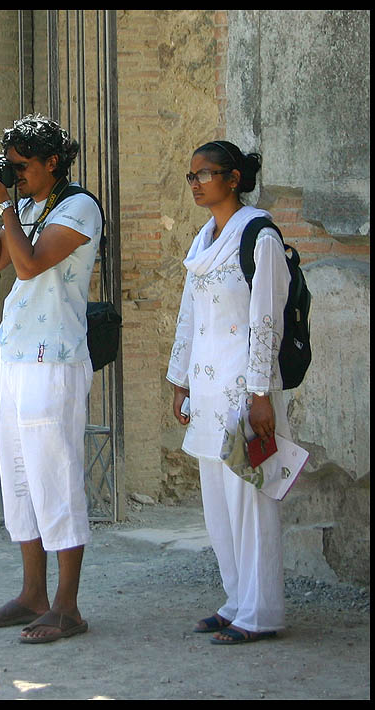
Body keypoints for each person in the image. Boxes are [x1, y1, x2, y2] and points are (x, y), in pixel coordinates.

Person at [0, 114, 102, 644]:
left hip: (56, 361)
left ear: (53, 162)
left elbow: (27, 266)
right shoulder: (22, 205)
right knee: (21, 479)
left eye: (22, 167)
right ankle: (33, 595)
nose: (15, 175)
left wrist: (5, 206)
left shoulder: (78, 207)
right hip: (16, 358)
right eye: (10, 166)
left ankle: (67, 606)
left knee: (57, 477)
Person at [167, 140, 291, 645]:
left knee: (251, 501)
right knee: (218, 501)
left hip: (246, 389)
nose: (196, 183)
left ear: (233, 178)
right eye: (191, 175)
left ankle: (261, 612)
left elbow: (267, 317)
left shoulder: (258, 234)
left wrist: (261, 394)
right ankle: (235, 599)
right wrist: (180, 381)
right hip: (209, 388)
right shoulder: (203, 237)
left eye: (206, 174)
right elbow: (189, 315)